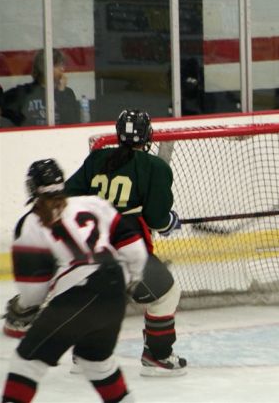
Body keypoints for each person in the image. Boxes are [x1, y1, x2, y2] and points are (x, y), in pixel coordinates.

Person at [2, 159, 146, 402]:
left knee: (26, 362)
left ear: (31, 187)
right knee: (96, 363)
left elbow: (33, 289)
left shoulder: (31, 223)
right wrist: (134, 278)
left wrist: (25, 307)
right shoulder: (93, 203)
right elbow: (134, 250)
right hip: (115, 289)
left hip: (78, 295)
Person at [63, 109, 187, 376]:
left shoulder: (97, 158)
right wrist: (170, 222)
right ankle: (157, 355)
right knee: (166, 295)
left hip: (90, 248)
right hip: (126, 247)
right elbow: (156, 218)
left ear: (118, 134)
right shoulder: (155, 167)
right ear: (148, 136)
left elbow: (69, 198)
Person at [1, 48, 80, 126]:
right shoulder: (23, 93)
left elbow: (71, 122)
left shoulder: (67, 93)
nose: (62, 69)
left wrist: (61, 93)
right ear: (43, 67)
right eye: (57, 65)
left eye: (62, 65)